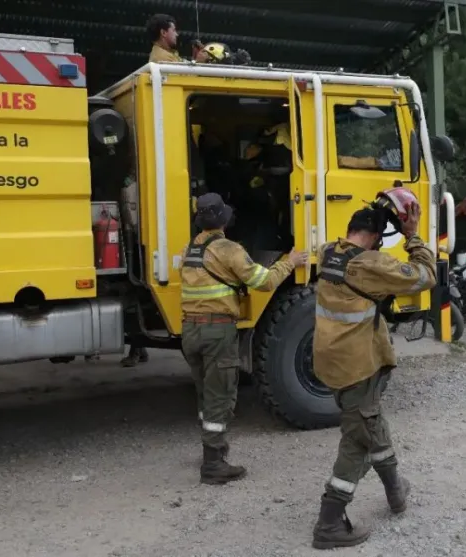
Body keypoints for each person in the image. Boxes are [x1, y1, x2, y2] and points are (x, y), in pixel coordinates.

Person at [310, 188, 437, 550]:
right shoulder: (369, 264)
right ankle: (329, 522)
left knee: (372, 422)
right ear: (377, 238)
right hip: (357, 365)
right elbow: (425, 275)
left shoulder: (329, 252)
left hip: (330, 360)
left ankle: (395, 490)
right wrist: (412, 235)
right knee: (358, 441)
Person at [180, 193, 308, 484]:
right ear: (224, 220)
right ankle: (213, 465)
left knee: (205, 393)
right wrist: (290, 261)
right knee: (221, 396)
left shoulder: (189, 248)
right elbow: (264, 282)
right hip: (216, 331)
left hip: (191, 331)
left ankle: (213, 450)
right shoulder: (230, 250)